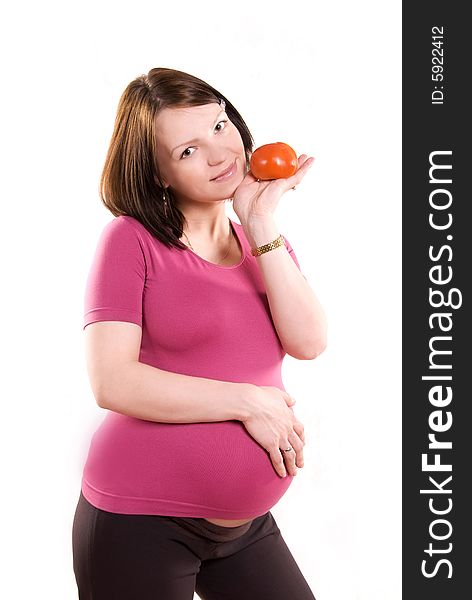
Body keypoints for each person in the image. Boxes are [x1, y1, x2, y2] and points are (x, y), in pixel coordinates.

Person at [72, 66, 327, 599]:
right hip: (139, 522)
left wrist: (261, 224)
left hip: (245, 531)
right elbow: (112, 381)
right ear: (159, 173)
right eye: (187, 150)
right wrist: (247, 403)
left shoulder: (259, 242)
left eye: (218, 125)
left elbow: (309, 342)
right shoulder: (131, 241)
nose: (219, 153)